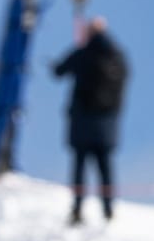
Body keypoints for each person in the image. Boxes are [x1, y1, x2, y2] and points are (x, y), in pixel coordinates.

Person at [51, 16, 130, 224]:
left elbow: (59, 71)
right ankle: (108, 208)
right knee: (105, 168)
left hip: (82, 123)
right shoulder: (119, 57)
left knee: (80, 167)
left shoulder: (83, 53)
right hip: (108, 124)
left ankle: (77, 208)